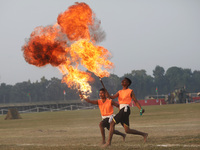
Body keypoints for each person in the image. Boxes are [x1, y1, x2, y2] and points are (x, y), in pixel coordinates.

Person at [103, 77, 148, 147]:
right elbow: (111, 97)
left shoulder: (130, 91)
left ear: (128, 84)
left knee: (112, 123)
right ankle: (144, 134)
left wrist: (140, 108)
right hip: (122, 110)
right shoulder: (119, 91)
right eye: (122, 81)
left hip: (125, 109)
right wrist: (107, 94)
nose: (122, 82)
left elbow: (135, 101)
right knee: (127, 130)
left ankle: (108, 142)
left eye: (124, 81)